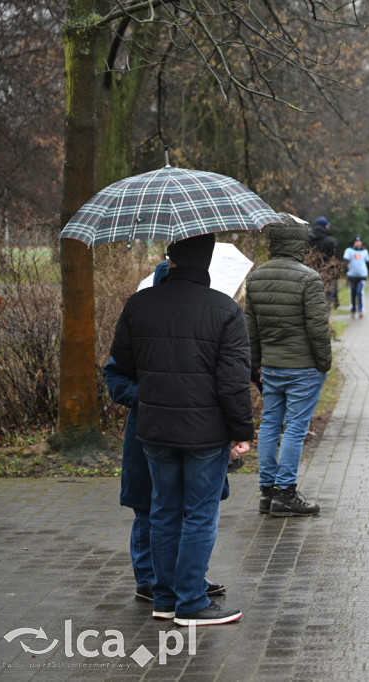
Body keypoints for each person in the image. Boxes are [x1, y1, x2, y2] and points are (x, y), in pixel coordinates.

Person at [109, 233, 253, 626]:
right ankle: (191, 603)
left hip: (154, 430)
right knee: (199, 514)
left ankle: (165, 599)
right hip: (204, 433)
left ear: (171, 258)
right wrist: (242, 431)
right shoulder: (225, 310)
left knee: (163, 510)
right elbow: (233, 381)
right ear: (207, 262)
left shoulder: (139, 305)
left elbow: (122, 365)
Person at [103, 261, 227, 607]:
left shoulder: (203, 318)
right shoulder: (142, 319)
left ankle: (187, 579)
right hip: (150, 427)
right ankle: (150, 579)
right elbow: (115, 376)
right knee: (149, 505)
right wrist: (146, 397)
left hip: (191, 428)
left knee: (190, 507)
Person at [245, 214, 333, 517]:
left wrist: (255, 365)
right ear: (299, 243)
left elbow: (251, 329)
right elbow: (318, 329)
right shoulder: (308, 278)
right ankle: (286, 493)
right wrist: (324, 364)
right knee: (295, 428)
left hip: (270, 366)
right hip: (303, 368)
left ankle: (267, 493)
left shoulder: (256, 278)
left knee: (270, 424)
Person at [307, 216, 340, 308]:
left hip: (308, 276)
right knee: (326, 303)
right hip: (327, 277)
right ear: (325, 227)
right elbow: (337, 261)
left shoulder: (306, 241)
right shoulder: (331, 241)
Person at [343, 235, 369, 318]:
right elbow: (345, 261)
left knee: (360, 292)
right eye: (356, 241)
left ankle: (360, 310)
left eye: (359, 241)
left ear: (361, 242)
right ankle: (353, 310)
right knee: (352, 293)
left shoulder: (364, 251)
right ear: (354, 242)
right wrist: (345, 270)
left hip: (362, 275)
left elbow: (368, 262)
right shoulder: (349, 250)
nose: (358, 243)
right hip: (352, 276)